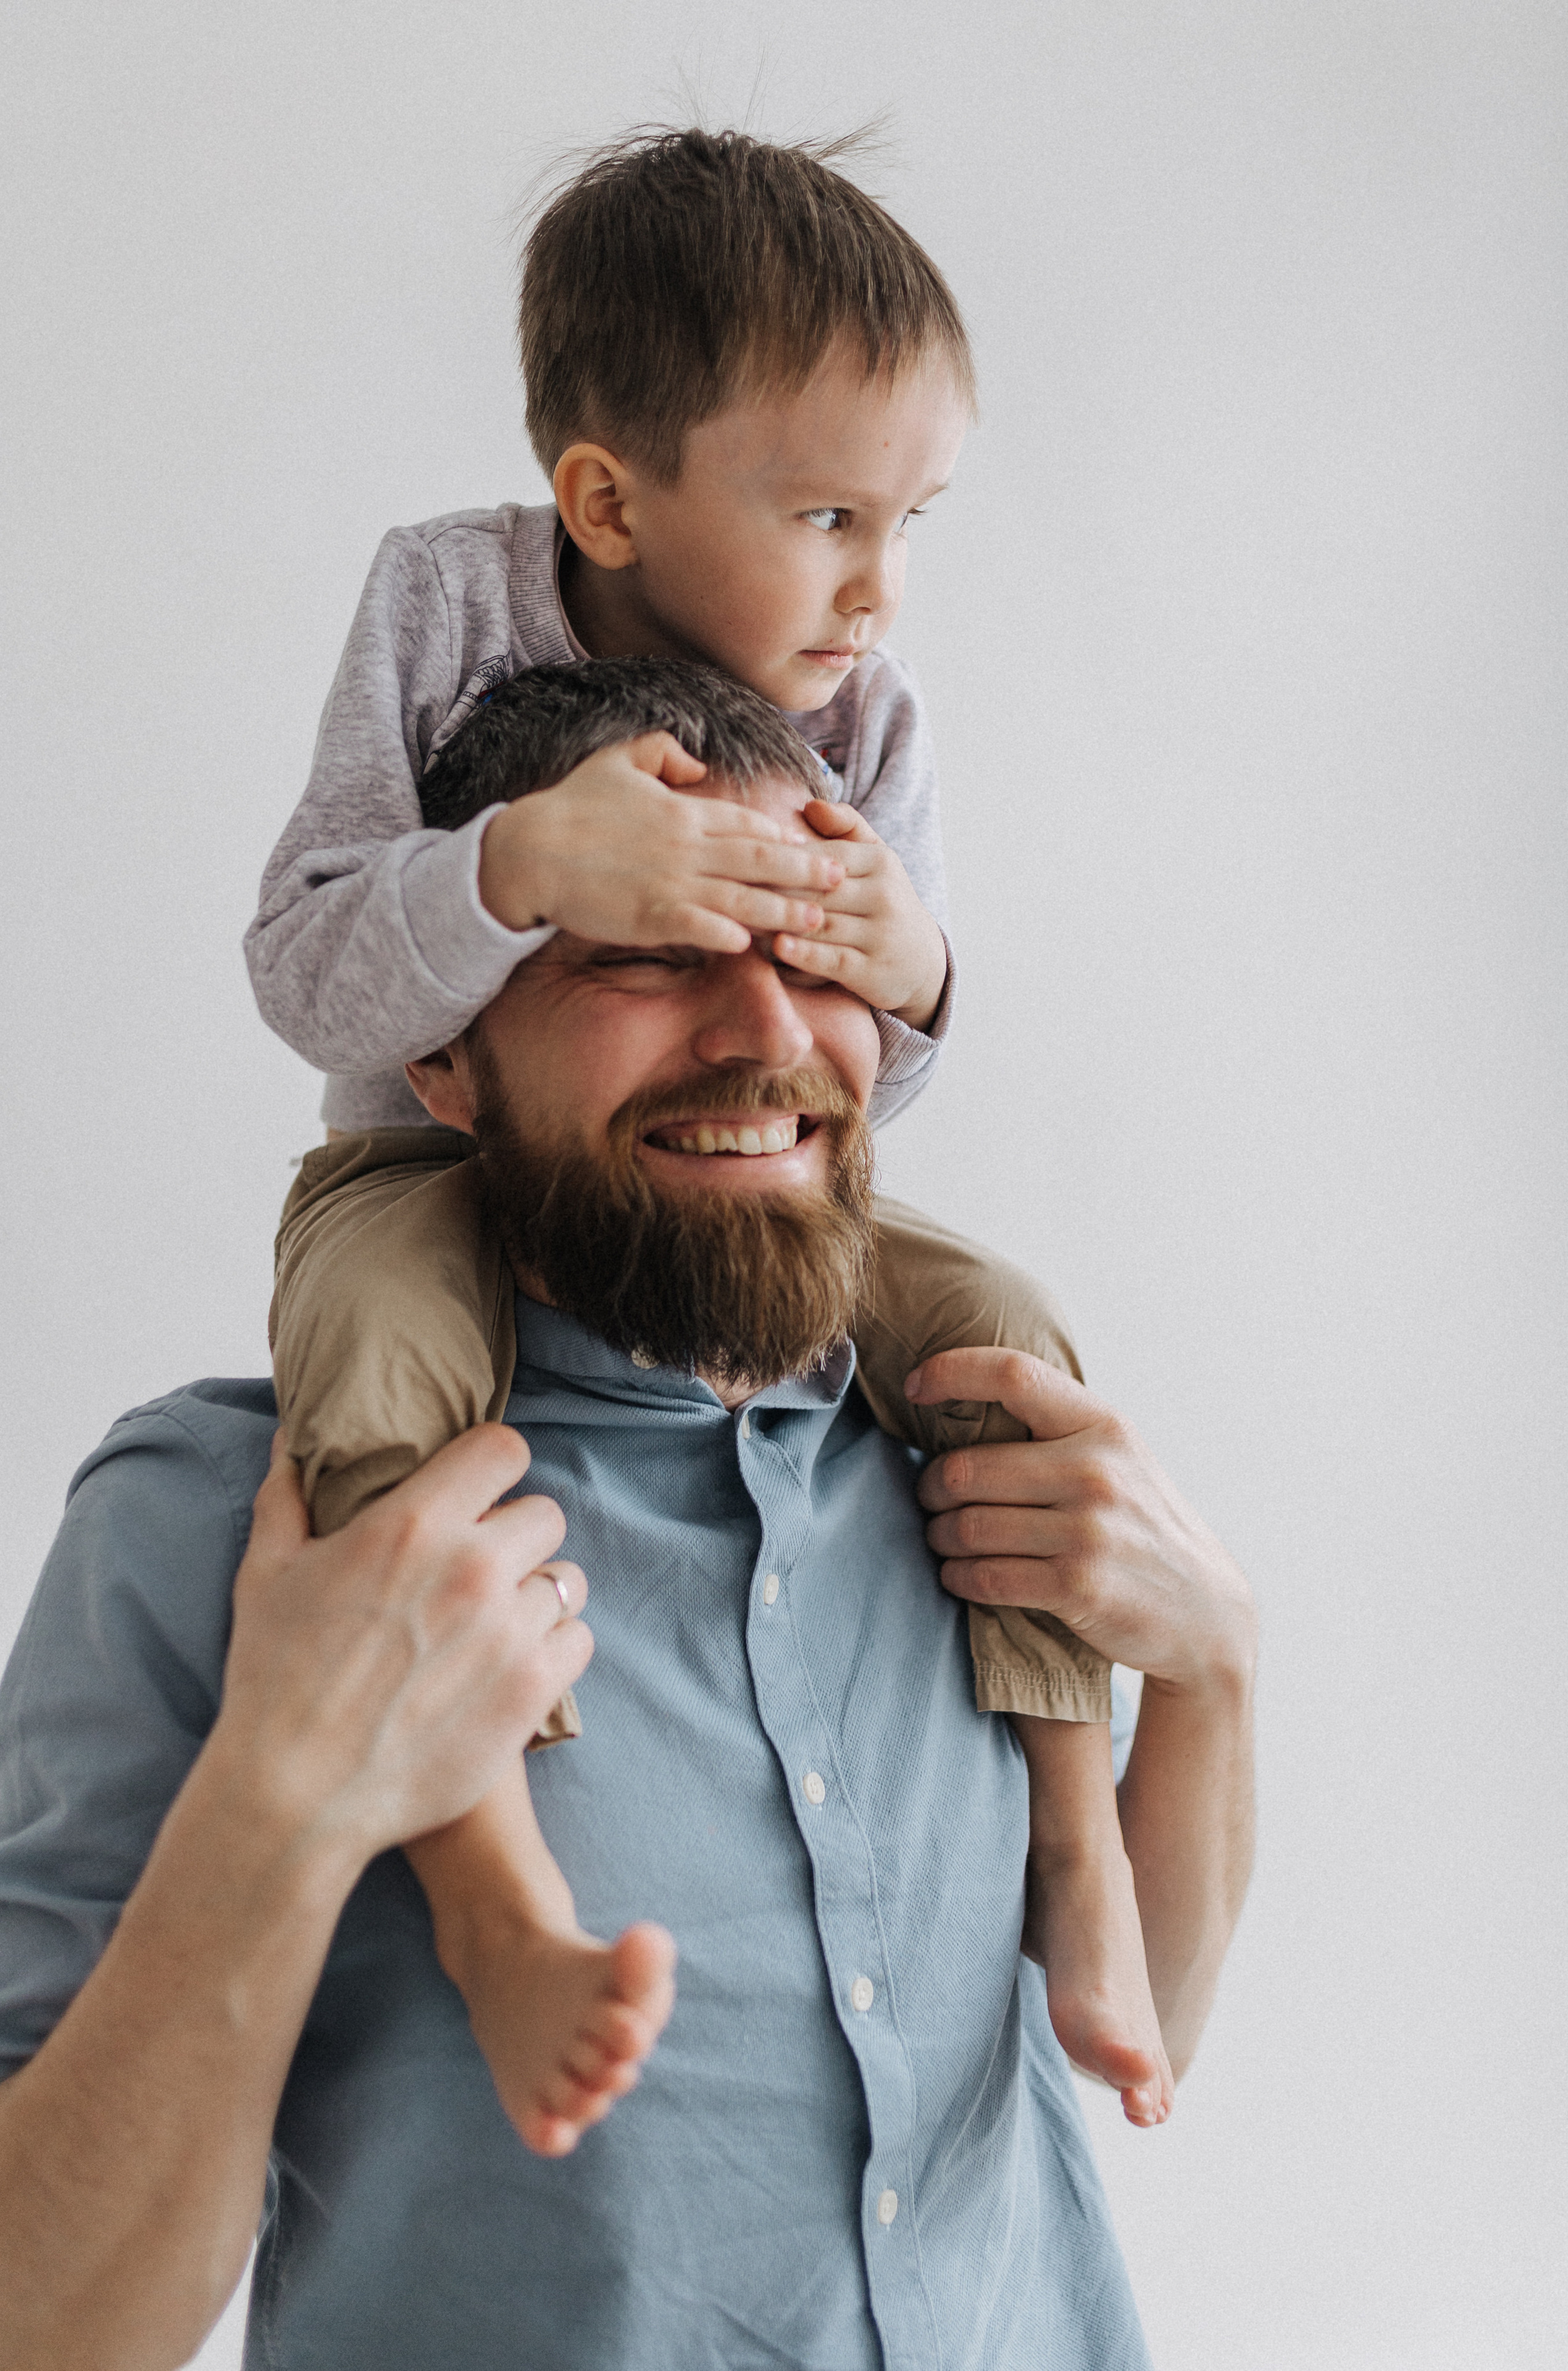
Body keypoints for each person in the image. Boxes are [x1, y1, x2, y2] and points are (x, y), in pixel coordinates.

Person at [0, 677, 1256, 2371]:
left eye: (818, 952)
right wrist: (282, 1793)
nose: (763, 1029)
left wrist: (1214, 1673)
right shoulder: (234, 1530)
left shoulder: (979, 1474)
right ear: (443, 1049)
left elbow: (1123, 2047)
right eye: (650, 957)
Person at [248, 122, 1169, 2147]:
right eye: (831, 514)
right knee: (375, 1378)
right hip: (431, 1167)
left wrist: (914, 969)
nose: (879, 587)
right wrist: (516, 872)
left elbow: (847, 1100)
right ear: (606, 499)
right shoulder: (448, 605)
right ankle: (498, 1896)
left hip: (724, 1197)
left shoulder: (871, 715)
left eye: (914, 519)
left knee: (1003, 1329)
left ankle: (1077, 1848)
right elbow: (306, 973)